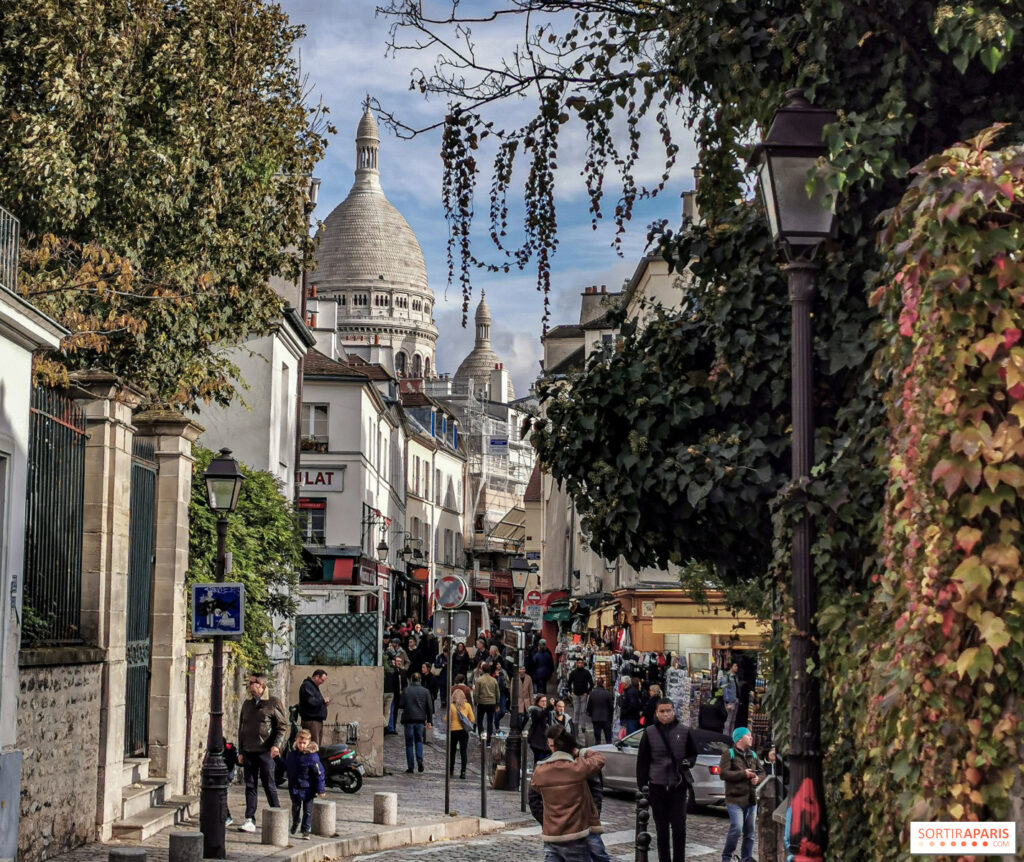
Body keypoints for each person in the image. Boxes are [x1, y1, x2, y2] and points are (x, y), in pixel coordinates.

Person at [528, 725, 605, 862]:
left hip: (552, 835)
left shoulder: (540, 770)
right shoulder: (577, 768)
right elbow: (599, 758)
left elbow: (534, 792)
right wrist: (582, 752)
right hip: (574, 835)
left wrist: (546, 821)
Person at [636, 698, 698, 862]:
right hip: (657, 786)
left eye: (668, 711)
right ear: (657, 713)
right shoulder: (649, 733)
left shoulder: (684, 731)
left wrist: (688, 762)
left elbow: (693, 753)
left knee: (679, 828)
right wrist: (643, 787)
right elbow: (642, 762)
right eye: (662, 711)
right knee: (661, 830)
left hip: (678, 786)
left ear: (673, 711)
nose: (665, 714)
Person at [236, 674, 287, 832]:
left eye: (252, 683)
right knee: (250, 785)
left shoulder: (272, 703)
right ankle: (249, 818)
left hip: (265, 750)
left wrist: (276, 746)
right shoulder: (247, 704)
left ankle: (277, 815)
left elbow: (282, 727)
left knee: (268, 784)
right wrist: (241, 751)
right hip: (249, 750)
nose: (249, 685)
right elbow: (241, 729)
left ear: (261, 685)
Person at [720, 727, 764, 862]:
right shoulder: (729, 754)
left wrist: (758, 779)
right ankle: (726, 857)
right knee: (737, 829)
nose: (751, 738)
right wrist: (743, 774)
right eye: (748, 735)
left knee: (750, 834)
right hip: (735, 799)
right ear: (739, 738)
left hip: (751, 799)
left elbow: (762, 772)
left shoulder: (753, 754)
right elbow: (723, 774)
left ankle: (746, 859)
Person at [284, 728, 325, 839]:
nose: (301, 745)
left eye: (304, 743)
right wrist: (277, 758)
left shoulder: (312, 757)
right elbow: (285, 766)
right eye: (299, 743)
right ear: (296, 741)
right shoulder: (292, 754)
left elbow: (319, 773)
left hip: (308, 788)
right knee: (295, 808)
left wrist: (320, 789)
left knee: (307, 810)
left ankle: (306, 830)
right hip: (295, 787)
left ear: (308, 742)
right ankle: (295, 822)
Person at [399, 671, 434, 773]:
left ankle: (411, 766)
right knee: (419, 741)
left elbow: (401, 704)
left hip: (408, 719)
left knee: (409, 743)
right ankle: (419, 759)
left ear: (411, 680)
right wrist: (429, 721)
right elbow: (429, 707)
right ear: (420, 680)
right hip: (420, 720)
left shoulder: (406, 691)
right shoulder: (425, 691)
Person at [446, 688, 475, 779]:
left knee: (452, 751)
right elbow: (472, 719)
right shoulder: (467, 706)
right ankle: (463, 771)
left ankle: (451, 770)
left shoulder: (451, 706)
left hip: (453, 730)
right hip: (463, 731)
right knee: (463, 752)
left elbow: (446, 719)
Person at [298, 668, 330, 746]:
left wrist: (323, 704)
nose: (322, 682)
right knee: (313, 745)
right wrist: (322, 701)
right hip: (311, 721)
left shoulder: (313, 687)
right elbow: (311, 701)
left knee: (316, 745)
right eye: (321, 680)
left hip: (316, 721)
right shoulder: (307, 686)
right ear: (316, 677)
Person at [472, 661, 499, 738]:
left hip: (482, 703)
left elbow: (476, 693)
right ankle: (488, 739)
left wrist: (475, 703)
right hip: (491, 703)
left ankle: (482, 737)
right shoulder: (494, 680)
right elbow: (497, 693)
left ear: (482, 670)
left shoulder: (479, 680)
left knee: (479, 721)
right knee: (490, 721)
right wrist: (497, 704)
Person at [567, 658, 593, 737]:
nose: (580, 664)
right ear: (576, 663)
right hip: (575, 695)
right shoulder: (573, 672)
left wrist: (587, 692)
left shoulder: (586, 672)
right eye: (579, 663)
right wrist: (570, 691)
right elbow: (569, 682)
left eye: (581, 663)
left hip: (583, 695)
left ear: (583, 664)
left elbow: (591, 683)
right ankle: (575, 728)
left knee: (583, 712)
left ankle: (583, 727)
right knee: (576, 711)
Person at [586, 679, 614, 744]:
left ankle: (598, 750)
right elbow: (611, 708)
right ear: (603, 684)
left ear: (596, 684)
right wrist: (611, 718)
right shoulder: (608, 693)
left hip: (596, 719)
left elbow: (589, 707)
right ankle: (609, 752)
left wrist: (591, 715)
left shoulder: (592, 694)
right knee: (608, 739)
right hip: (606, 719)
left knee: (597, 739)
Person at [527, 694, 552, 765]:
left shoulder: (546, 711)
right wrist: (549, 707)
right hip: (538, 742)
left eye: (545, 701)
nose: (544, 703)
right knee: (539, 763)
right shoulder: (535, 711)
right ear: (538, 702)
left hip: (546, 742)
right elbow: (541, 716)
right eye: (542, 701)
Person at [723, 662, 740, 736]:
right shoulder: (727, 676)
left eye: (737, 666)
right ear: (731, 667)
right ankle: (726, 736)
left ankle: (731, 736)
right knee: (728, 720)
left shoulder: (735, 676)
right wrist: (727, 702)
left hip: (735, 700)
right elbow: (725, 689)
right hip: (730, 701)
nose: (737, 667)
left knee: (733, 720)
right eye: (735, 666)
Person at [516, 666, 534, 730]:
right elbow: (512, 691)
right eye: (520, 669)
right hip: (518, 700)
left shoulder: (529, 678)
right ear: (518, 670)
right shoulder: (515, 678)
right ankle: (520, 730)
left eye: (523, 669)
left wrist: (532, 702)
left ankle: (521, 728)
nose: (522, 670)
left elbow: (531, 690)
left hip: (527, 701)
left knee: (527, 716)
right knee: (519, 717)